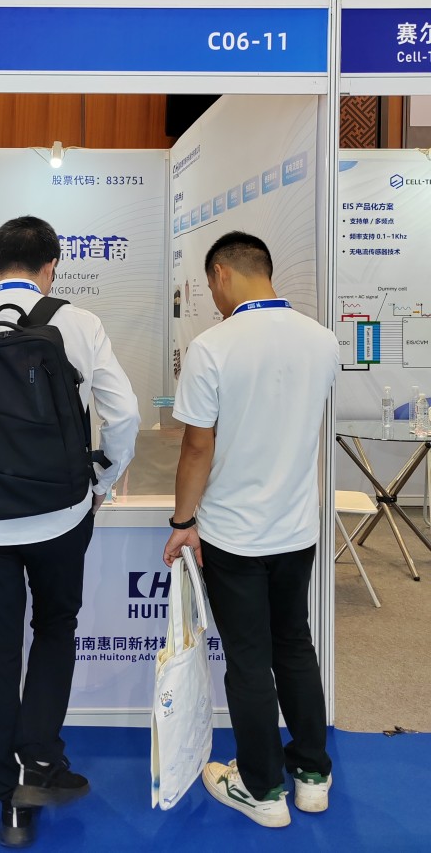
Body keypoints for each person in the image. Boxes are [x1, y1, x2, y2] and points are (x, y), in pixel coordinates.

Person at [0, 216, 140, 848]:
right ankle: (39, 758)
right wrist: (103, 482)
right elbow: (122, 416)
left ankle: (7, 795)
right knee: (55, 629)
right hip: (63, 512)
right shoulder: (79, 323)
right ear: (51, 267)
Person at [163, 231, 339, 828]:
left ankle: (262, 790)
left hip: (233, 533)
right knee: (294, 644)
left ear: (221, 274)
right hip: (296, 528)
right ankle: (312, 775)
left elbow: (197, 446)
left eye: (210, 284)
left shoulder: (213, 346)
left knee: (247, 659)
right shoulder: (321, 340)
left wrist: (182, 521)